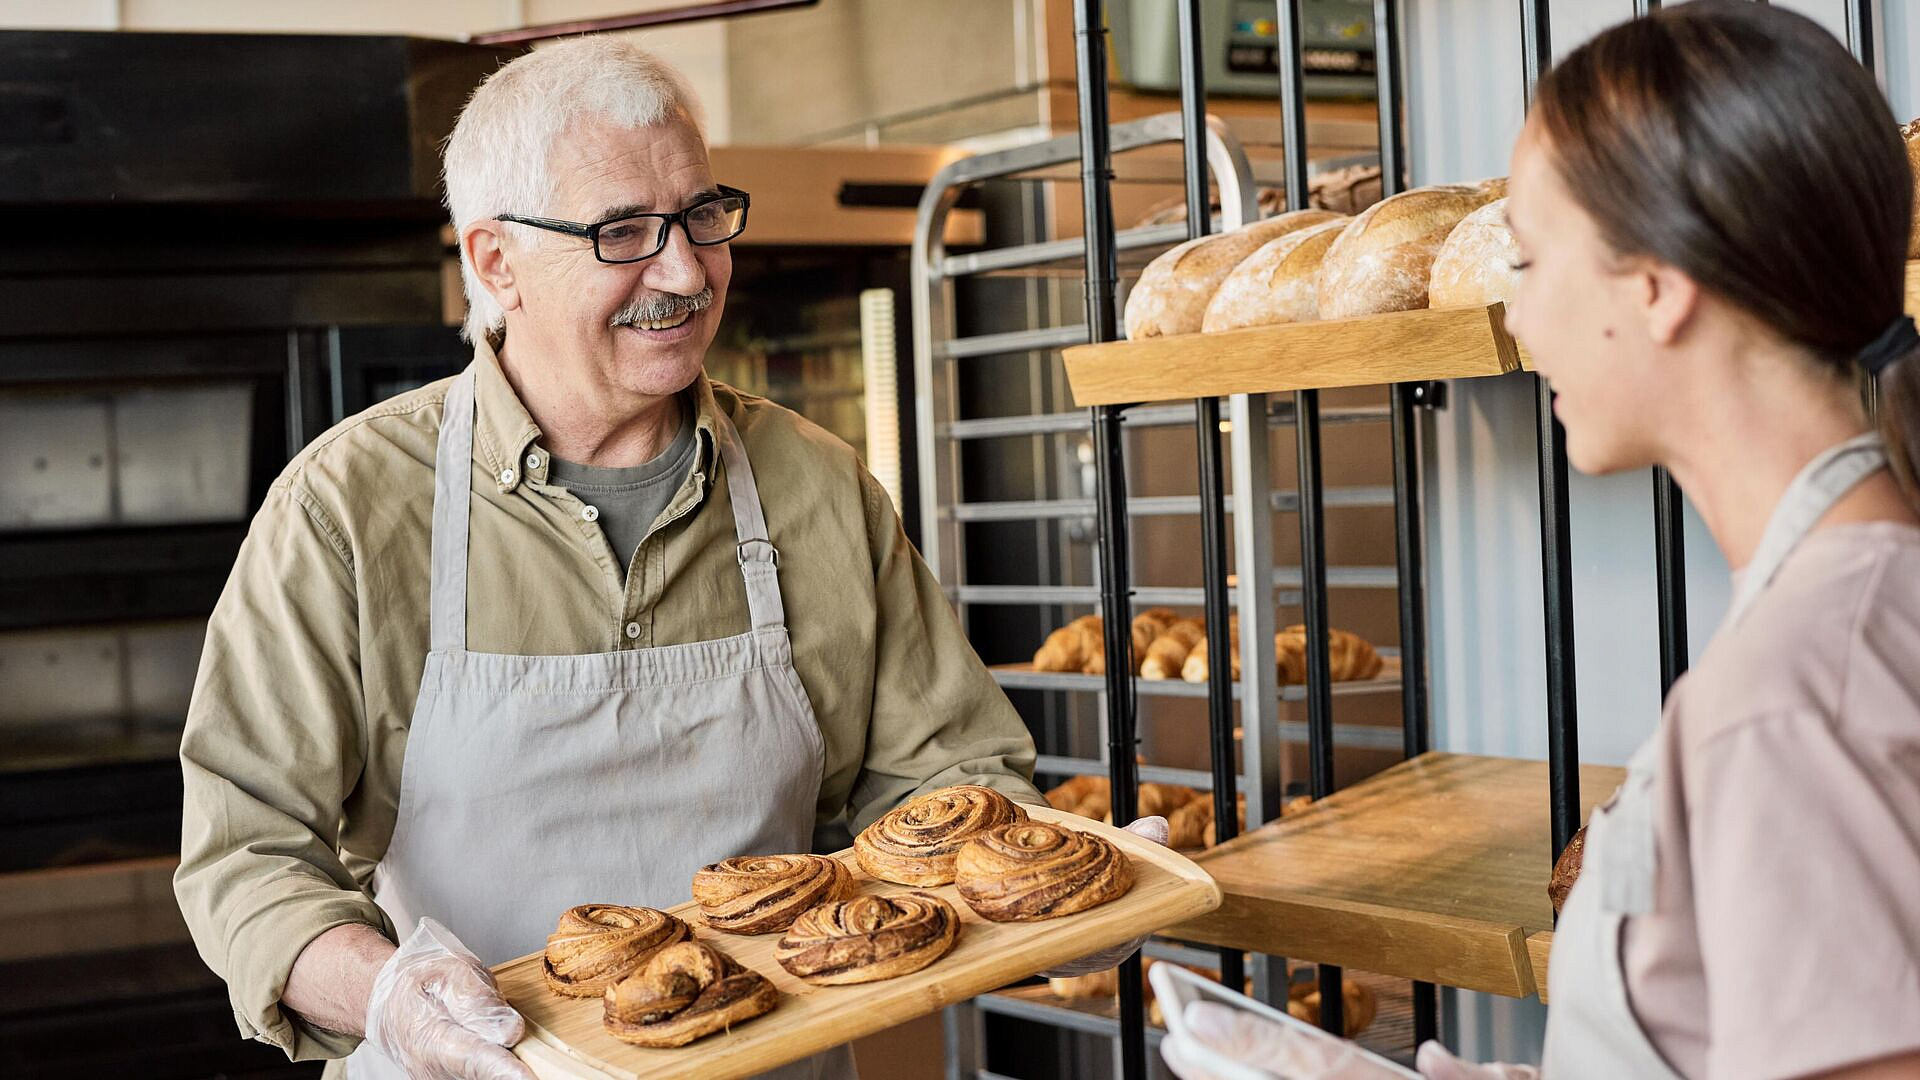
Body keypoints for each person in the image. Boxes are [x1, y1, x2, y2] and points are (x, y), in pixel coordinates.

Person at [173, 37, 1140, 1080]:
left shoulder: (817, 488)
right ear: (496, 260)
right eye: (624, 231)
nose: (684, 272)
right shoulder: (347, 511)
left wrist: (1055, 884)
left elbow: (944, 776)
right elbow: (249, 856)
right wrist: (393, 998)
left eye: (702, 215)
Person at [1161, 4, 1920, 1078]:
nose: (1518, 316)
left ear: (1657, 287)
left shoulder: (1792, 699)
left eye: (1529, 258)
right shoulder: (1860, 601)